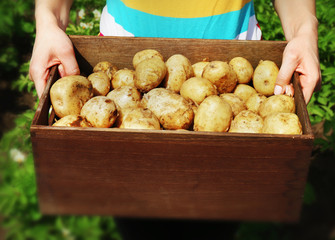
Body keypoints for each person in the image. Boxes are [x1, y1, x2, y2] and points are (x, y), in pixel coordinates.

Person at [29, 1, 320, 239]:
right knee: (134, 212)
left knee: (219, 214)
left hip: (234, 50)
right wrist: (47, 21)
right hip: (124, 52)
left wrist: (304, 29)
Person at [29, 0, 321, 104]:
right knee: (131, 203)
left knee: (225, 201)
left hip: (236, 67)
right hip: (121, 68)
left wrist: (304, 30)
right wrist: (48, 21)